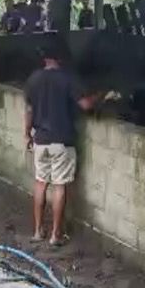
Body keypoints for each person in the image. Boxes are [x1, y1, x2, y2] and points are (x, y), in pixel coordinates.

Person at [25, 39, 102, 246]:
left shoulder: (33, 79)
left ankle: (38, 231)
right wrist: (101, 96)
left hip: (40, 140)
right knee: (59, 186)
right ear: (61, 57)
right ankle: (55, 235)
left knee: (41, 183)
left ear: (45, 58)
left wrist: (27, 135)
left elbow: (29, 110)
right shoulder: (68, 79)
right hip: (62, 141)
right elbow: (85, 104)